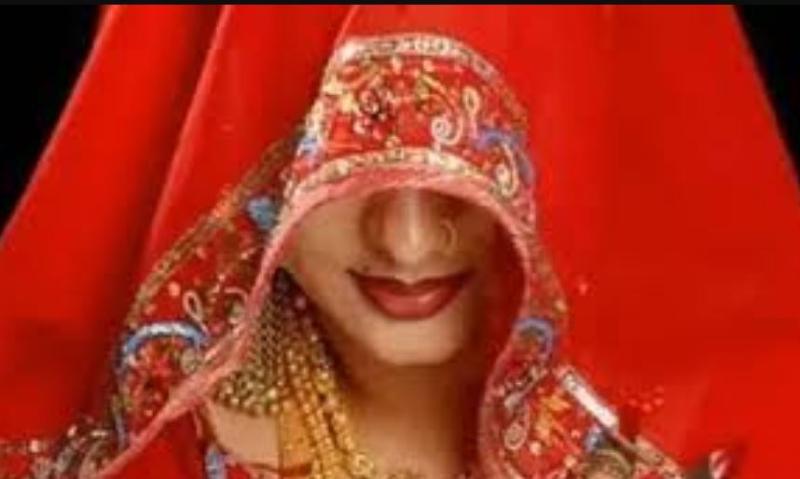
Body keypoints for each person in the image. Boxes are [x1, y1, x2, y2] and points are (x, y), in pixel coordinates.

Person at [1, 5, 798, 479]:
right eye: (336, 163)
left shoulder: (749, 431)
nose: (409, 242)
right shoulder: (118, 455)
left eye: (475, 159)